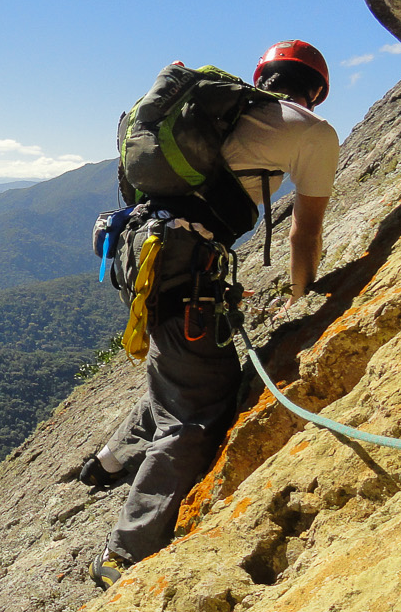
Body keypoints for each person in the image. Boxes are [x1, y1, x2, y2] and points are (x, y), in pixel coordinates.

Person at [84, 40, 340, 588]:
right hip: (186, 266)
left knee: (183, 367)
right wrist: (304, 295)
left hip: (143, 251)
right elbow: (307, 230)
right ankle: (124, 552)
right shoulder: (312, 131)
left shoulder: (228, 113)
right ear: (315, 90)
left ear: (263, 76)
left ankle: (110, 460)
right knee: (196, 415)